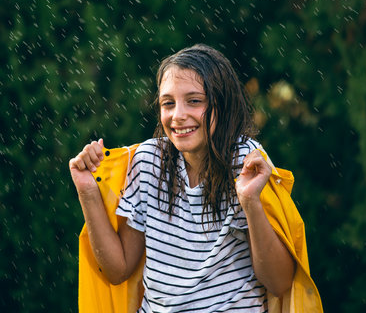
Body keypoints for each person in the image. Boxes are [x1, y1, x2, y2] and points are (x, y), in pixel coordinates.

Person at [69, 44, 295, 312]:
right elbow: (118, 270)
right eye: (168, 103)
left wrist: (250, 201)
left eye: (194, 101)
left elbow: (279, 282)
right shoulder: (147, 161)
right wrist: (87, 190)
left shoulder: (247, 162)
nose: (178, 116)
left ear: (222, 104)